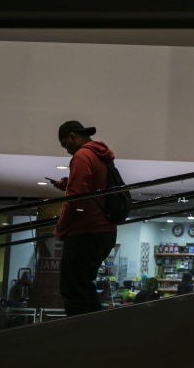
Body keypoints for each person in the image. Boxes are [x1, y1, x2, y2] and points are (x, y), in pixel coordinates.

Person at [53, 120, 118, 316]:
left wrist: (61, 226)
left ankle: (77, 336)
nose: (67, 151)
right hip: (105, 230)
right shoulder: (101, 155)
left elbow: (76, 200)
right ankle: (93, 333)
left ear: (73, 136)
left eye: (65, 145)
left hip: (85, 231)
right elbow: (95, 189)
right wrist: (70, 183)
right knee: (84, 284)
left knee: (72, 288)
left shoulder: (82, 155)